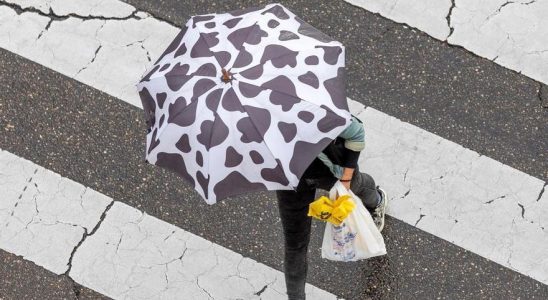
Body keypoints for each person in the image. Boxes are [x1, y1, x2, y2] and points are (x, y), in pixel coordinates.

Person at [276, 115, 387, 300]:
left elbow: (356, 131)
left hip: (332, 168)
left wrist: (345, 179)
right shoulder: (253, 127)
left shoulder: (308, 107)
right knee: (295, 245)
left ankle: (376, 200)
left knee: (356, 186)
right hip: (291, 183)